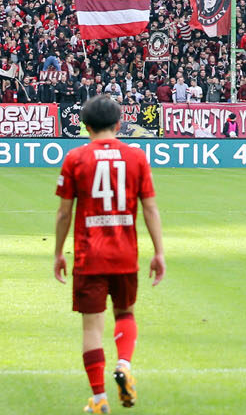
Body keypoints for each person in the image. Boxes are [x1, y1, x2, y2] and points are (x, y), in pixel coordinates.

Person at [54, 95, 165, 413]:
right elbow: (151, 208)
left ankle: (100, 398)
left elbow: (64, 214)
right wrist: (159, 252)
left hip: (89, 257)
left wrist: (59, 252)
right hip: (125, 254)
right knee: (126, 313)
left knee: (92, 328)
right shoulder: (136, 157)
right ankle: (125, 364)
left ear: (85, 126)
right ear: (119, 124)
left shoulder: (75, 158)